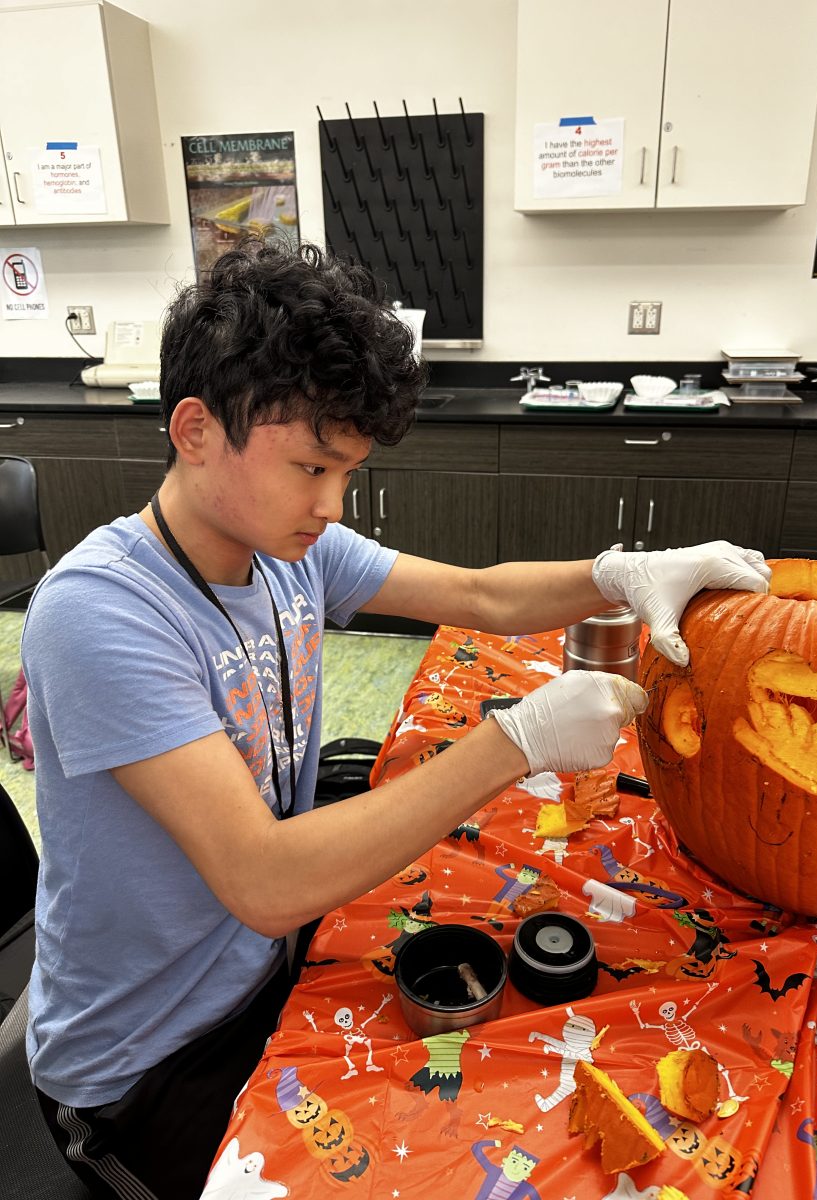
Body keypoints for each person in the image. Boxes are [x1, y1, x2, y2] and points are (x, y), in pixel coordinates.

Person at [21, 238, 770, 1200]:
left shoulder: (285, 549)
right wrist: (517, 740)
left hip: (268, 973)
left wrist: (617, 574)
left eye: (350, 473)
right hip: (150, 1061)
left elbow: (477, 593)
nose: (332, 506)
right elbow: (262, 880)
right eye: (311, 468)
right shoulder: (100, 613)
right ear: (196, 429)